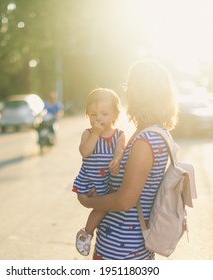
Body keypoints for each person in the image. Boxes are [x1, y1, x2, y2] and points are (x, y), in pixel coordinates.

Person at [77, 60, 178, 260]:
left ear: (139, 94)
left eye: (130, 87)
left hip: (121, 250)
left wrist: (89, 202)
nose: (127, 92)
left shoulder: (146, 140)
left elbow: (125, 201)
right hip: (126, 247)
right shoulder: (155, 132)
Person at [72, 88, 126, 256]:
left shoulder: (119, 134)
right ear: (87, 115)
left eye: (104, 113)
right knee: (101, 208)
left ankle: (86, 232)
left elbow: (120, 150)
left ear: (115, 115)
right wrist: (95, 133)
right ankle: (87, 233)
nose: (98, 118)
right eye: (93, 114)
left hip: (107, 182)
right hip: (90, 180)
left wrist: (116, 160)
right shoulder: (88, 133)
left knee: (102, 208)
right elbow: (85, 152)